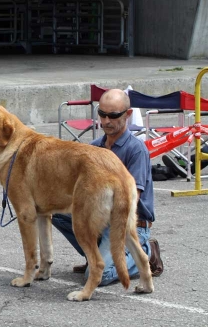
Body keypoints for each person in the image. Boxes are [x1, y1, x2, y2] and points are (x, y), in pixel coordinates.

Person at [52, 89, 164, 284]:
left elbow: (131, 200)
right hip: (101, 218)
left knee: (100, 276)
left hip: (130, 225)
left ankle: (146, 253)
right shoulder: (95, 147)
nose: (105, 121)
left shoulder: (136, 150)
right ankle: (95, 256)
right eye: (102, 114)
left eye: (113, 116)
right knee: (54, 211)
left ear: (128, 115)